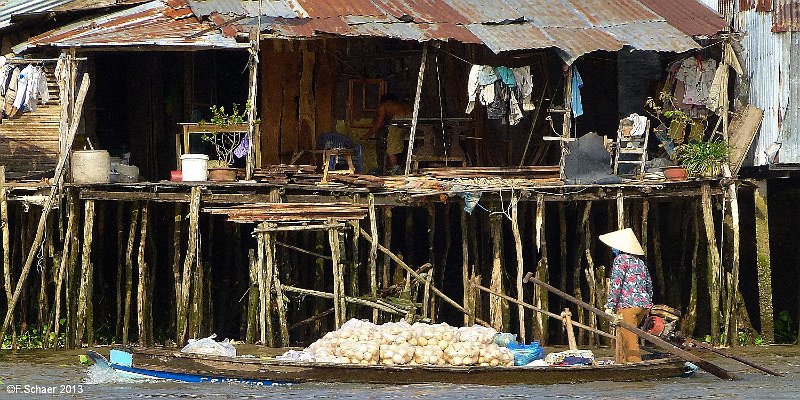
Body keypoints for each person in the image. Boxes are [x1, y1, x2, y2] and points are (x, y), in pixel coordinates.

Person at [599, 227, 653, 364]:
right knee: (624, 335)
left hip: (628, 305)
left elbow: (616, 285)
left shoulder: (620, 260)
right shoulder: (640, 262)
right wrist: (648, 303)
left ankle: (635, 367)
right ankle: (622, 362)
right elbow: (649, 285)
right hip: (643, 305)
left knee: (630, 339)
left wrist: (610, 306)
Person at [362, 94, 412, 174]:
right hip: (411, 119)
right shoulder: (402, 105)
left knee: (391, 149)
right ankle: (401, 167)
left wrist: (368, 134)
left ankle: (395, 169)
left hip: (399, 121)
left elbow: (379, 123)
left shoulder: (384, 105)